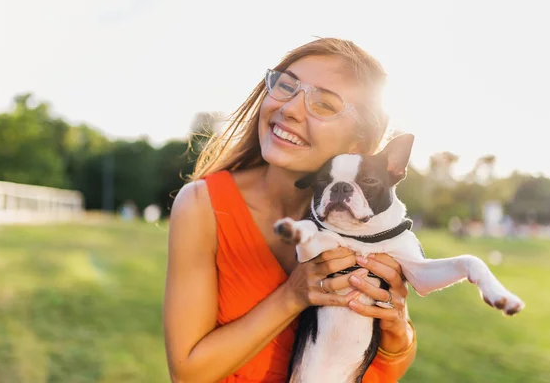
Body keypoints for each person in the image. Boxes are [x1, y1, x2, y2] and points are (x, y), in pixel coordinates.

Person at [164, 38, 417, 383]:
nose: (290, 109)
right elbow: (188, 373)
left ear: (358, 145)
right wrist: (292, 295)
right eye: (286, 86)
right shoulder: (202, 205)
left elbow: (383, 364)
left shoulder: (366, 227)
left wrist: (397, 329)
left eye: (325, 105)